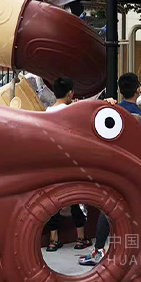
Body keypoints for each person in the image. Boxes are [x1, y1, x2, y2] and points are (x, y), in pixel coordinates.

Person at [81, 91, 141, 267]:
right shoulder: (132, 119)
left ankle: (134, 253)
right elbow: (113, 116)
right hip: (120, 173)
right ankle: (99, 249)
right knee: (107, 211)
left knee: (135, 215)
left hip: (140, 179)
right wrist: (109, 103)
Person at [44, 77, 90, 251]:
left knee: (53, 200)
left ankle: (53, 240)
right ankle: (80, 238)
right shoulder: (72, 111)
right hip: (70, 160)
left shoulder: (46, 111)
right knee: (76, 198)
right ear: (71, 93)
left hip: (51, 162)